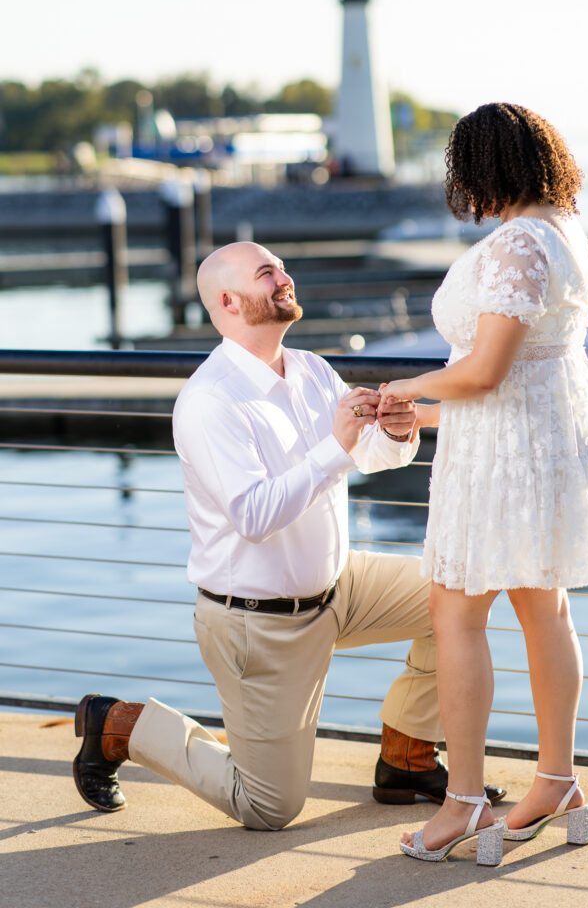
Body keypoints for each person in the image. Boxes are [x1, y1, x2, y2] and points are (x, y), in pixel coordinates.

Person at [72, 240, 505, 830]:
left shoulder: (311, 369)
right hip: (259, 619)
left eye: (281, 266)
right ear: (228, 301)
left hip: (340, 585)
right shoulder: (209, 400)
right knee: (269, 808)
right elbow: (253, 516)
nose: (284, 277)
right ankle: (119, 724)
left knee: (460, 589)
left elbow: (364, 456)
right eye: (265, 272)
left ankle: (407, 758)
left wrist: (398, 434)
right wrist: (336, 445)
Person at [379, 103, 588, 865]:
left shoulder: (520, 241)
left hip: (504, 458)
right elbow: (518, 375)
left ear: (483, 167)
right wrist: (422, 415)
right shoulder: (568, 233)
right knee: (543, 611)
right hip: (538, 442)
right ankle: (555, 782)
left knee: (456, 616)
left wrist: (399, 389)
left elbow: (486, 371)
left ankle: (462, 802)